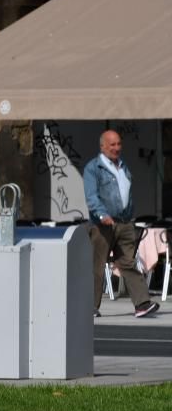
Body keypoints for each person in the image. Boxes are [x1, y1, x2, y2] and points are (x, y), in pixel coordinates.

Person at [82, 129, 158, 318]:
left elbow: (126, 193)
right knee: (96, 266)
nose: (117, 148)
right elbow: (91, 196)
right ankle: (90, 307)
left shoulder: (123, 166)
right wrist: (101, 215)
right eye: (112, 145)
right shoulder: (93, 168)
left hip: (124, 223)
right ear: (103, 146)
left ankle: (142, 304)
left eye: (119, 144)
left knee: (128, 263)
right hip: (103, 225)